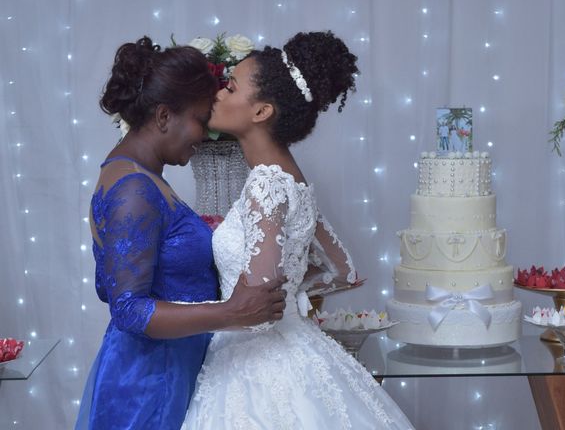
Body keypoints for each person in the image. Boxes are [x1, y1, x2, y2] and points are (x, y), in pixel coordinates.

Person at [181, 31, 414, 429]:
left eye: (231, 86)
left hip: (256, 368)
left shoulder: (266, 184)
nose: (218, 93)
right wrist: (292, 293)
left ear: (261, 112)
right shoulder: (295, 181)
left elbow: (256, 310)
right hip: (297, 348)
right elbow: (343, 271)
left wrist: (172, 314)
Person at [75, 37, 287, 430]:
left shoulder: (140, 177)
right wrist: (231, 313)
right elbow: (126, 308)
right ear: (162, 116)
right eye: (199, 119)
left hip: (164, 371)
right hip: (148, 387)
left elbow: (115, 280)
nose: (204, 134)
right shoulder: (134, 189)